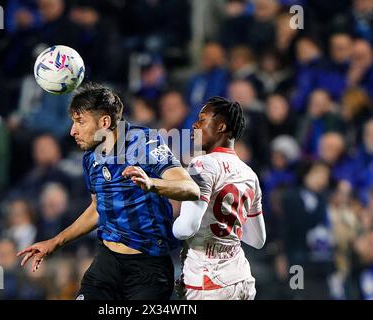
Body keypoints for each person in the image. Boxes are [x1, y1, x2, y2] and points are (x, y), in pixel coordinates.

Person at [17, 83, 200, 300]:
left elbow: (190, 188)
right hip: (106, 264)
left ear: (104, 122)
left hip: (148, 270)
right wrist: (55, 242)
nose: (72, 131)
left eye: (80, 122)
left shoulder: (144, 143)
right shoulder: (90, 158)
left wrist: (153, 184)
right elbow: (97, 209)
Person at [173, 96, 266, 300]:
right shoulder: (249, 174)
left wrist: (167, 224)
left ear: (221, 126)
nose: (195, 125)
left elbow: (186, 228)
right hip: (241, 279)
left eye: (203, 119)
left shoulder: (202, 165)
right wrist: (225, 233)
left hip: (209, 284)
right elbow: (258, 239)